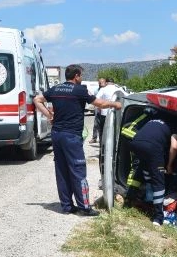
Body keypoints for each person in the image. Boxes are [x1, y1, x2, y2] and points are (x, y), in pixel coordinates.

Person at [33, 65, 121, 216]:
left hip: (57, 135)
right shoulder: (80, 90)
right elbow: (99, 104)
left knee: (62, 170)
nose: (81, 78)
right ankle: (84, 207)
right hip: (71, 136)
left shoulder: (56, 89)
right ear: (76, 76)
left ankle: (66, 206)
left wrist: (49, 115)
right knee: (78, 170)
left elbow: (37, 99)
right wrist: (115, 104)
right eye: (81, 75)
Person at [127, 115, 177, 225]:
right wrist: (169, 165)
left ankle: (130, 199)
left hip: (135, 143)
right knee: (159, 183)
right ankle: (158, 218)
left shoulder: (152, 120)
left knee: (143, 169)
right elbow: (174, 147)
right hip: (153, 148)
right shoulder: (175, 125)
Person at [92, 77, 119, 146]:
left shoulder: (103, 89)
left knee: (103, 131)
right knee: (114, 131)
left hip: (104, 113)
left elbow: (96, 100)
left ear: (106, 82)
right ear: (113, 82)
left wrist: (99, 107)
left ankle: (102, 147)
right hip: (116, 114)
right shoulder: (119, 89)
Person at [88, 77, 107, 143]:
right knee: (96, 124)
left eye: (101, 82)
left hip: (105, 110)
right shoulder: (96, 90)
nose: (100, 83)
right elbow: (94, 99)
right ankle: (94, 138)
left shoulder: (106, 90)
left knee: (104, 125)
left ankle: (103, 139)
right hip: (98, 109)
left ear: (105, 83)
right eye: (99, 82)